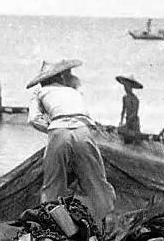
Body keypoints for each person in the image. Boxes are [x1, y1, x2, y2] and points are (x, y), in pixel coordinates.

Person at [26, 59, 116, 224]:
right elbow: (84, 115)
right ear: (60, 78)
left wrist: (52, 128)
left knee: (53, 183)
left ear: (42, 82)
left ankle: (51, 222)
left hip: (59, 131)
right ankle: (107, 220)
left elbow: (33, 119)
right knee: (96, 179)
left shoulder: (40, 93)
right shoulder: (73, 91)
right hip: (83, 131)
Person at [115, 74, 143, 143]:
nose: (125, 88)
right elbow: (123, 110)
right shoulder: (124, 98)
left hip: (134, 123)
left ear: (131, 87)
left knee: (134, 140)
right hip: (127, 120)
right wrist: (121, 122)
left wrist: (127, 123)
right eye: (124, 86)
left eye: (127, 86)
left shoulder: (135, 99)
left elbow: (134, 113)